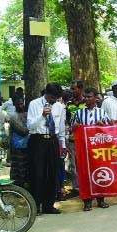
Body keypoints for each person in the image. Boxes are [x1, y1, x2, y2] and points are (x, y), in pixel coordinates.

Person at [27, 83, 66, 215]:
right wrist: (42, 116)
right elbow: (30, 126)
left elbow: (60, 127)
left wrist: (63, 144)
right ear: (46, 94)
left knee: (52, 173)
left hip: (53, 141)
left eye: (56, 98)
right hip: (38, 140)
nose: (54, 101)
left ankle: (49, 205)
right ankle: (36, 205)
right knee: (38, 173)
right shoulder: (34, 104)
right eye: (52, 98)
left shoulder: (59, 107)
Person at [72, 87, 111, 211]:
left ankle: (101, 199)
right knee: (84, 174)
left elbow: (110, 128)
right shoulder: (79, 113)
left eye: (89, 96)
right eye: (85, 96)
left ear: (95, 98)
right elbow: (72, 127)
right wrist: (75, 127)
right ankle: (87, 201)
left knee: (99, 172)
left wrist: (102, 126)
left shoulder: (102, 112)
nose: (87, 99)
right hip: (84, 149)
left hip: (98, 149)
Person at [65, 80, 86, 197]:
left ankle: (87, 185)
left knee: (86, 163)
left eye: (74, 89)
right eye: (71, 89)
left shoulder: (87, 102)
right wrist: (67, 126)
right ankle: (76, 188)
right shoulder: (69, 104)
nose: (71, 91)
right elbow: (67, 120)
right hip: (73, 140)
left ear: (80, 89)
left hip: (86, 140)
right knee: (73, 165)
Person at [9, 94, 29, 189]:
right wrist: (33, 126)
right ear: (14, 104)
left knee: (25, 167)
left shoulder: (27, 114)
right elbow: (23, 131)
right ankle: (17, 188)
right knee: (18, 168)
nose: (20, 106)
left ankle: (23, 187)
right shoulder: (13, 117)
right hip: (17, 147)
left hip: (26, 146)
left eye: (21, 103)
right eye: (18, 104)